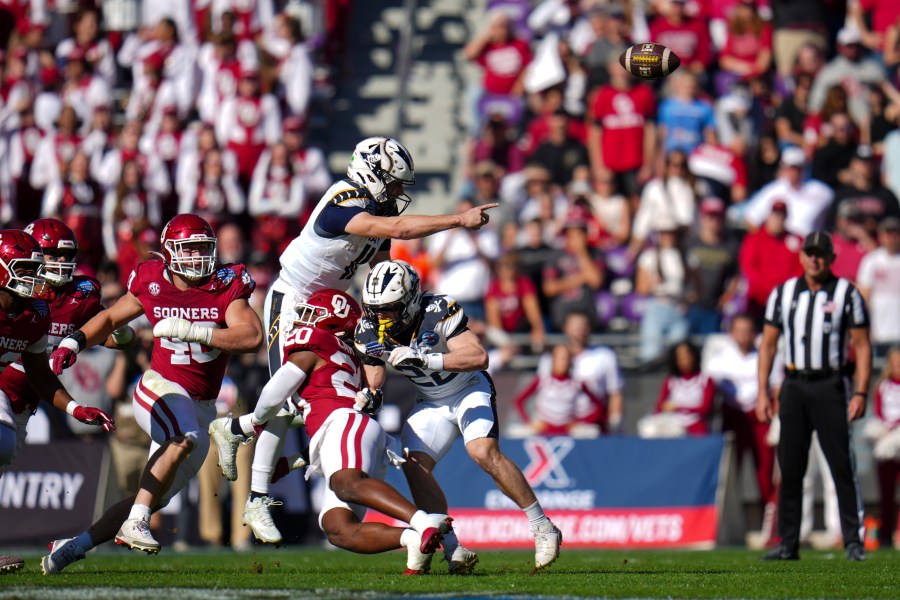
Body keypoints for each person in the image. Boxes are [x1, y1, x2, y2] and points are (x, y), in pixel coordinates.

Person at [227, 136, 496, 545]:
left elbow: (381, 266)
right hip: (296, 299)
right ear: (371, 173)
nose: (397, 193)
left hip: (336, 302)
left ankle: (299, 455)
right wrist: (458, 220)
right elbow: (399, 228)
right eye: (392, 183)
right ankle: (255, 487)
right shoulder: (343, 201)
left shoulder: (377, 207)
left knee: (345, 394)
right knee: (289, 397)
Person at [41, 214, 262, 573]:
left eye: (202, 248)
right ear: (169, 252)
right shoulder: (151, 280)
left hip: (202, 405)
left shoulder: (226, 284)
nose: (196, 256)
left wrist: (199, 332)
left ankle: (73, 547)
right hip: (158, 387)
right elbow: (112, 319)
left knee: (150, 496)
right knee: (182, 438)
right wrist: (74, 341)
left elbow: (251, 336)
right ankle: (137, 523)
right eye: (188, 248)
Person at [208, 289, 455, 573]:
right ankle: (412, 541)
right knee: (338, 529)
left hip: (345, 423)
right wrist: (288, 463)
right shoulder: (344, 355)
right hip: (351, 430)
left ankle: (423, 522)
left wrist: (245, 424)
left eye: (313, 316)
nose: (304, 322)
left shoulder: (316, 342)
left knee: (345, 483)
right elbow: (324, 438)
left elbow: (273, 394)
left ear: (334, 324)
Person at [355, 260, 562, 573]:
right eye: (375, 309)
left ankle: (542, 526)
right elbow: (374, 367)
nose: (380, 316)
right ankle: (453, 549)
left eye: (389, 308)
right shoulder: (369, 326)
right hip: (430, 401)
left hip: (467, 389)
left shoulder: (437, 309)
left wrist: (428, 358)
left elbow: (478, 356)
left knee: (483, 452)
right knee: (415, 467)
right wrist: (372, 392)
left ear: (410, 300)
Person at [0, 229, 116, 575]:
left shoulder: (35, 312)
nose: (34, 276)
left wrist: (75, 407)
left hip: (23, 402)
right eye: (23, 267)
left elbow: (39, 373)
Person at [756, 230, 871, 562]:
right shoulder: (784, 293)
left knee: (841, 466)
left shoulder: (847, 294)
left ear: (832, 258)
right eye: (810, 253)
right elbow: (768, 344)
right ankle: (788, 542)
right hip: (793, 386)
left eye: (821, 253)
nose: (815, 258)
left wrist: (861, 391)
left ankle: (852, 540)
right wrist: (763, 391)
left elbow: (862, 346)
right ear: (801, 256)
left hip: (830, 385)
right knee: (791, 467)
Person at [704, 315, 777, 526]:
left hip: (761, 417)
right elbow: (709, 392)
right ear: (731, 333)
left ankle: (769, 527)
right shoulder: (719, 360)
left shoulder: (766, 355)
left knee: (765, 472)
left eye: (748, 330)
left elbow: (777, 388)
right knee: (728, 474)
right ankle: (725, 524)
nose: (744, 335)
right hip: (732, 417)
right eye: (740, 330)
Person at [514, 344, 604, 436]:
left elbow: (599, 406)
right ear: (553, 359)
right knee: (515, 432)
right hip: (543, 428)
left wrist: (581, 421)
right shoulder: (543, 380)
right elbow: (519, 401)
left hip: (569, 431)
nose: (563, 362)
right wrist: (529, 423)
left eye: (566, 358)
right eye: (560, 358)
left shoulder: (577, 383)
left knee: (594, 432)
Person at [638, 341, 715, 438]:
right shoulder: (671, 380)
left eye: (687, 355)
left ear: (694, 356)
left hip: (696, 424)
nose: (685, 360)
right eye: (680, 357)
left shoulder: (705, 380)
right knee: (649, 429)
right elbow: (660, 406)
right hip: (673, 424)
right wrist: (662, 409)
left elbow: (706, 408)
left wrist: (679, 408)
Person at [865, 346, 900, 549]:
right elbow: (878, 412)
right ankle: (885, 534)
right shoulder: (882, 386)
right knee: (886, 492)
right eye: (894, 364)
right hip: (886, 445)